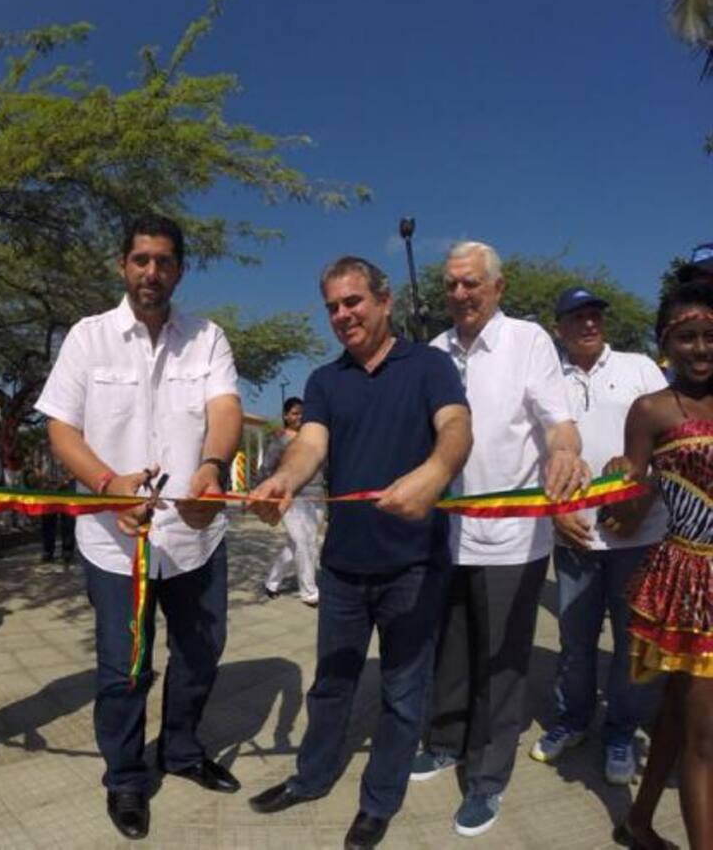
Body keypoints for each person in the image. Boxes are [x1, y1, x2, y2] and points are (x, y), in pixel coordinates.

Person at [246, 257, 472, 850]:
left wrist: (436, 471)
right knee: (332, 684)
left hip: (414, 565)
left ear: (384, 300)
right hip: (344, 566)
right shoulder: (325, 381)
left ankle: (379, 801)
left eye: (353, 302)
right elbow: (310, 445)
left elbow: (456, 427)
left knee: (402, 694)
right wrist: (284, 482)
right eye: (332, 307)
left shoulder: (430, 365)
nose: (343, 315)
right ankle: (312, 777)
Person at [35, 214, 244, 841]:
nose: (152, 272)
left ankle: (179, 750)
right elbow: (61, 429)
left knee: (202, 654)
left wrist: (212, 468)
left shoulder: (208, 338)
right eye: (141, 260)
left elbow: (224, 408)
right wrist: (106, 484)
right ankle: (125, 777)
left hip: (195, 537)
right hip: (112, 541)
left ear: (181, 269)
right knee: (123, 667)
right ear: (123, 265)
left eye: (164, 261)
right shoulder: (86, 338)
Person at [411, 241, 590, 838]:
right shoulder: (434, 352)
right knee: (451, 650)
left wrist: (566, 452)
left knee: (502, 664)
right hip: (446, 535)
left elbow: (557, 420)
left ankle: (487, 778)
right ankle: (443, 742)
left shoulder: (528, 341)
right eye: (452, 286)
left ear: (498, 286)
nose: (460, 294)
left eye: (471, 284)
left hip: (512, 539)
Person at [529, 288, 667, 784]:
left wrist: (641, 503)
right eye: (576, 317)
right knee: (575, 643)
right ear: (559, 326)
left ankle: (621, 733)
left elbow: (668, 443)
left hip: (640, 537)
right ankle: (572, 722)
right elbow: (534, 457)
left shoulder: (640, 368)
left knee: (633, 643)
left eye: (594, 315)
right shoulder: (546, 380)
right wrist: (552, 512)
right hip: (575, 540)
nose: (588, 324)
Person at [613, 281, 713, 850]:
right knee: (703, 740)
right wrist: (616, 486)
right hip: (692, 585)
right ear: (665, 344)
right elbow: (629, 504)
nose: (701, 349)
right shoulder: (651, 410)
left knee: (678, 719)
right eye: (687, 337)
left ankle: (638, 821)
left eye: (710, 337)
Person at [259, 396, 325, 605]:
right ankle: (308, 591)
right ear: (286, 416)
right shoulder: (279, 440)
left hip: (317, 497)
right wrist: (262, 495)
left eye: (302, 413)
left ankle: (272, 581)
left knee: (302, 544)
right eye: (295, 413)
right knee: (302, 542)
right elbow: (267, 469)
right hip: (291, 499)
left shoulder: (314, 438)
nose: (300, 417)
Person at [36, 452, 76, 564]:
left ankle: (67, 551)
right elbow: (36, 466)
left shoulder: (66, 445)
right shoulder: (41, 447)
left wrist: (65, 481)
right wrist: (41, 478)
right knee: (47, 522)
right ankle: (47, 551)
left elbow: (75, 467)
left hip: (65, 488)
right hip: (47, 490)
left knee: (68, 521)